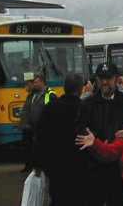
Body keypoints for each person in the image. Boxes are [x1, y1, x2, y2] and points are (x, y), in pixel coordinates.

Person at [78, 63, 123, 206]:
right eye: (101, 78)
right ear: (97, 80)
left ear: (116, 79)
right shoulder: (87, 105)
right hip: (94, 168)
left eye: (108, 78)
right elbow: (81, 131)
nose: (104, 82)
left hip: (119, 169)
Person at [34, 74, 90, 206]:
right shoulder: (84, 108)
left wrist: (38, 163)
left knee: (57, 198)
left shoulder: (50, 108)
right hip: (78, 166)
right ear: (80, 89)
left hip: (55, 166)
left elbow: (40, 136)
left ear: (65, 88)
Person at [19, 73, 57, 171]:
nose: (34, 84)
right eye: (33, 82)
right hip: (32, 128)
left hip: (44, 130)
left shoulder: (50, 94)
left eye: (36, 82)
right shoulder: (33, 95)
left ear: (42, 82)